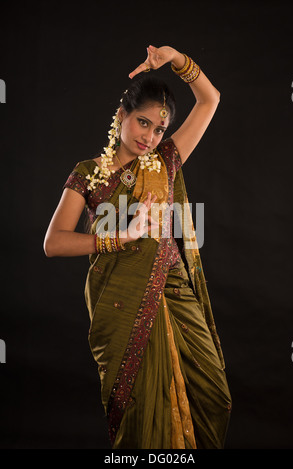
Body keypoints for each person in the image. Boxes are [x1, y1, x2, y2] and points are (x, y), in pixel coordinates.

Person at [43, 45, 232, 449]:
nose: (150, 137)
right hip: (120, 300)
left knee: (214, 396)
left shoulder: (166, 161)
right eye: (143, 123)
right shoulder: (89, 174)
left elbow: (210, 98)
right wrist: (120, 236)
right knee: (141, 411)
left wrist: (177, 59)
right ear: (121, 117)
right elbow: (54, 242)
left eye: (159, 130)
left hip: (175, 292)